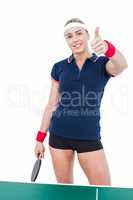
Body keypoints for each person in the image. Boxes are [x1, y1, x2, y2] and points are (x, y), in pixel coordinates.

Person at [34, 18, 128, 185]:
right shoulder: (59, 67)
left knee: (104, 191)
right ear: (66, 41)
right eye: (69, 36)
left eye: (79, 33)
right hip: (59, 136)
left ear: (87, 35)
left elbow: (121, 66)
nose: (75, 39)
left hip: (89, 136)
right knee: (66, 193)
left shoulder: (102, 64)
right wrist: (40, 138)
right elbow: (51, 105)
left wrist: (108, 49)